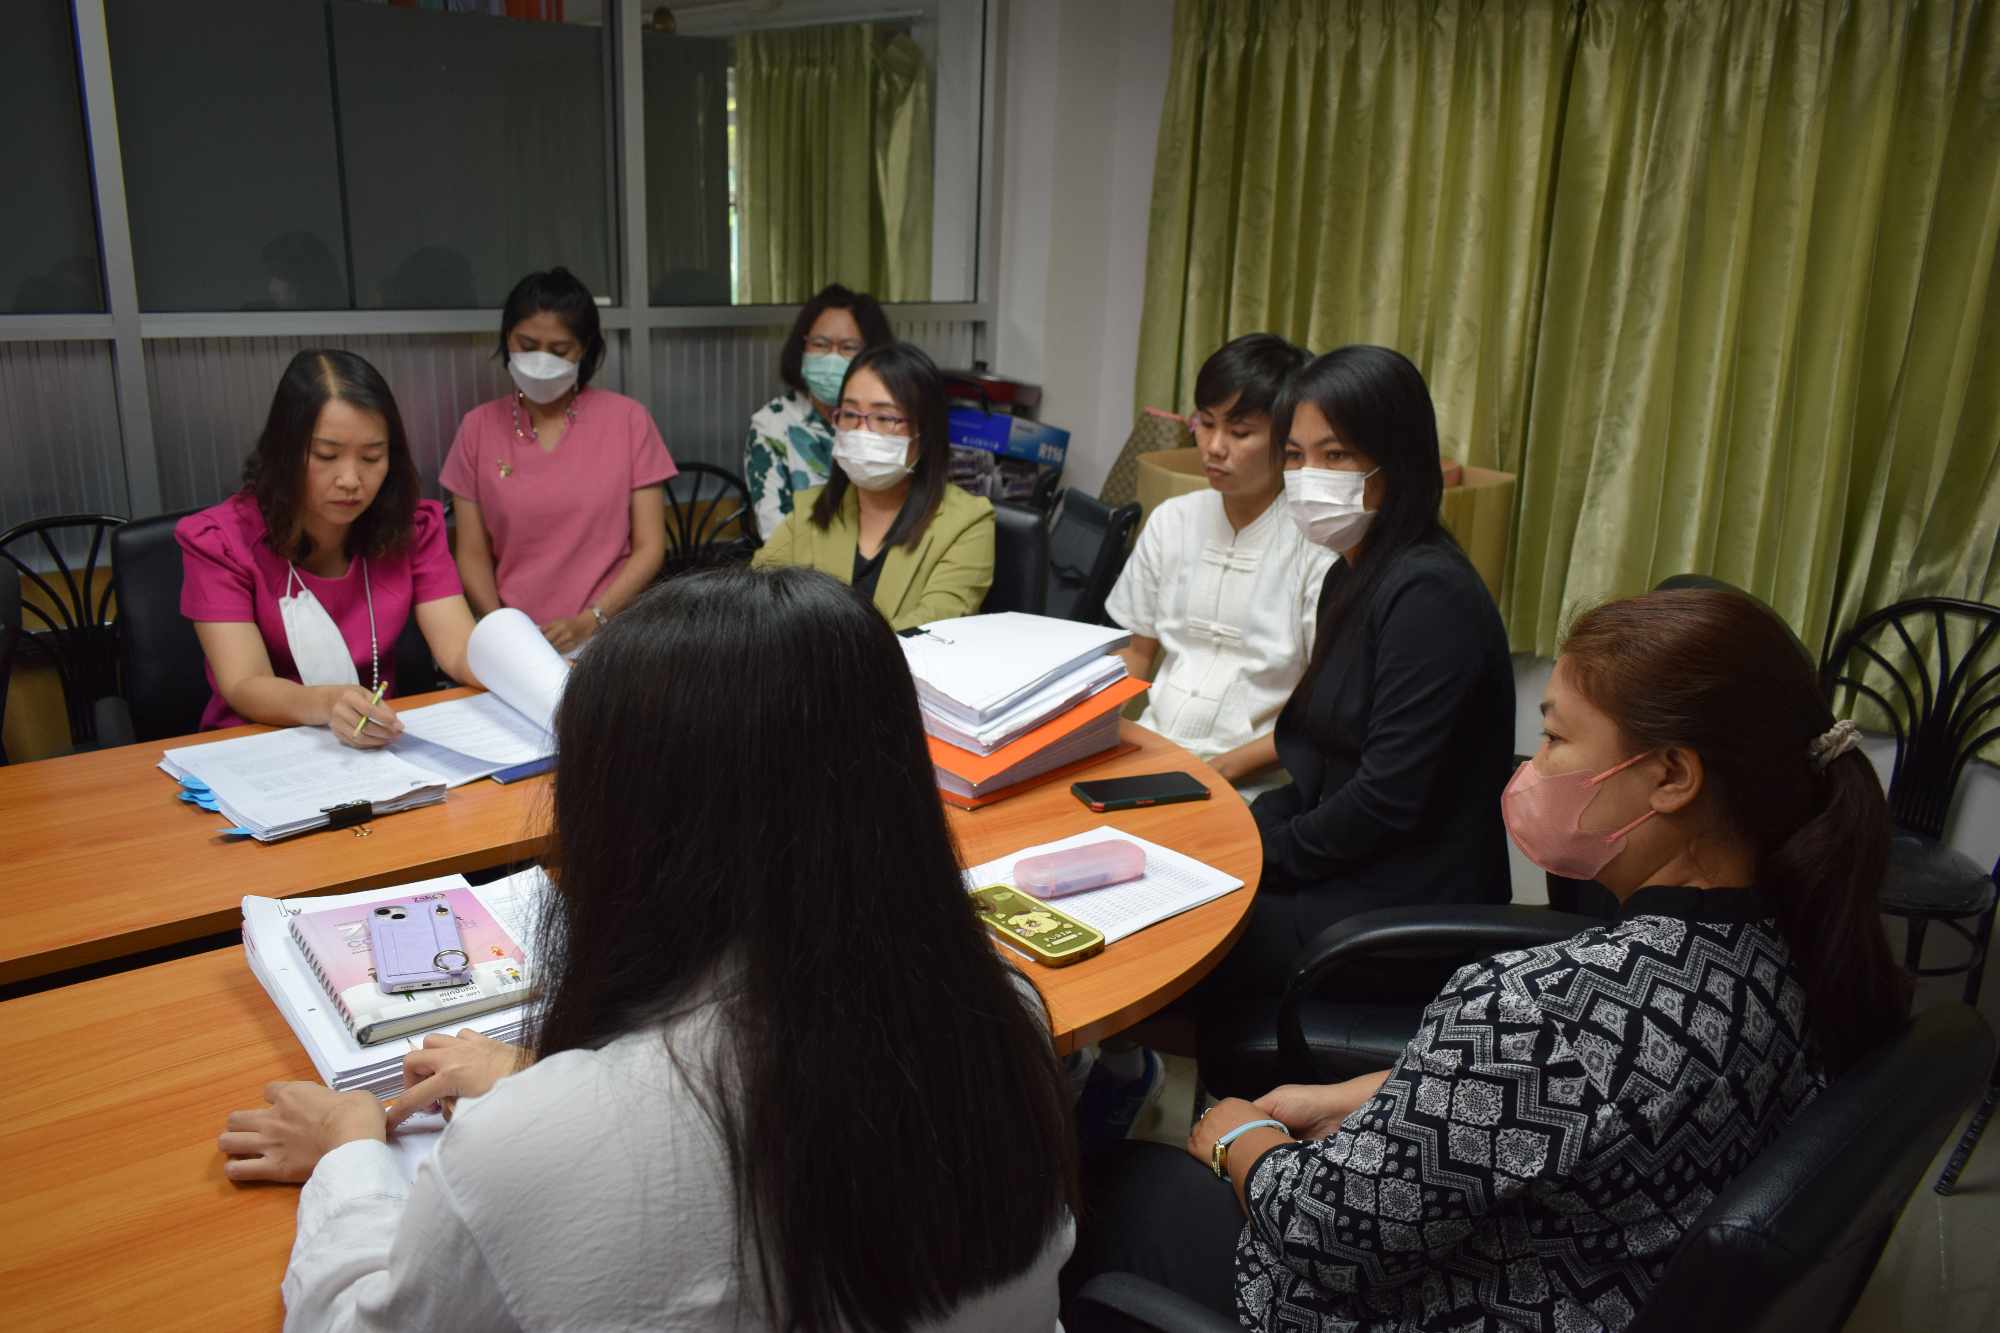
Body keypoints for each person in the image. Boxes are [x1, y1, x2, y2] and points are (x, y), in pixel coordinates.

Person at [217, 566, 1080, 1330]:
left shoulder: (529, 1152)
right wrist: (527, 1077)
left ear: (632, 828)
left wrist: (350, 1150)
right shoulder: (1005, 1015)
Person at [1063, 585, 1912, 1331]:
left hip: (1447, 1302)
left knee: (1114, 1189)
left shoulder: (1539, 1010)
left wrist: (1237, 1138)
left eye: (1555, 739)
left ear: (1671, 776)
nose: (1534, 767)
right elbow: (1557, 1105)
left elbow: (1330, 1234)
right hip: (1602, 1271)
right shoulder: (1799, 945)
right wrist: (1373, 1091)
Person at [1197, 345, 1515, 1013]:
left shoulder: (1429, 594)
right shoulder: (1351, 573)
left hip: (1399, 914)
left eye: (1336, 454)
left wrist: (1262, 855)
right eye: (1294, 455)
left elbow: (1383, 801)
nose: (1308, 476)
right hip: (1347, 874)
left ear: (1396, 460)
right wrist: (1241, 835)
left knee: (1183, 931)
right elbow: (1320, 756)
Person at [178, 349, 475, 742]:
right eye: (326, 455)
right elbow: (245, 682)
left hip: (374, 744)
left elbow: (458, 647)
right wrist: (329, 703)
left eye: (372, 457)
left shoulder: (412, 528)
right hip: (255, 745)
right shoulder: (221, 541)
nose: (350, 480)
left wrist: (525, 672)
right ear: (284, 450)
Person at [1105, 333, 1332, 798]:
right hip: (1155, 750)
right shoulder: (1173, 520)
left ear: (1287, 440)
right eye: (1205, 424)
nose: (1213, 447)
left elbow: (1321, 713)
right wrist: (1091, 730)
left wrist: (1216, 771)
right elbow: (1136, 652)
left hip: (1259, 782)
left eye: (1240, 432)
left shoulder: (1318, 546)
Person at [441, 267, 674, 655]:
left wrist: (590, 621)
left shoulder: (629, 420)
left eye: (560, 350)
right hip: (514, 640)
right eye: (527, 345)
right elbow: (471, 552)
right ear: (507, 339)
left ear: (584, 349)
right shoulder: (477, 428)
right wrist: (503, 628)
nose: (541, 361)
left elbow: (650, 547)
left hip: (611, 635)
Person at [752, 341, 994, 630]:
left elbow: (934, 627)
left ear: (925, 430)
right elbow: (756, 599)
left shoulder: (967, 522)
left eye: (883, 418)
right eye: (850, 414)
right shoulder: (809, 510)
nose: (861, 431)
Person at [743, 282, 893, 540]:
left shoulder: (893, 422)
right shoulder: (773, 425)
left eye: (848, 347)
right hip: (803, 563)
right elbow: (775, 535)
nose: (831, 358)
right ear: (802, 348)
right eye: (820, 344)